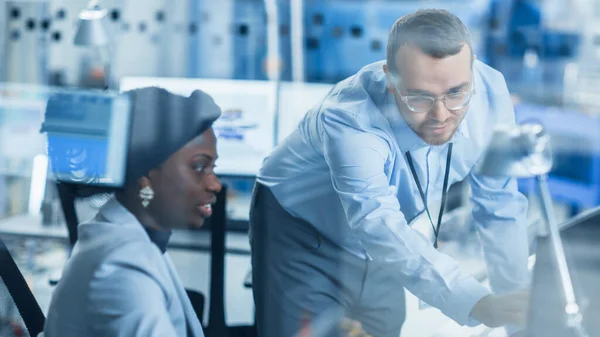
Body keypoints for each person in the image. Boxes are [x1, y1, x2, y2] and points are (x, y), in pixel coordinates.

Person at [251, 9, 530, 337]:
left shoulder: (490, 91)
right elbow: (377, 223)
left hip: (389, 237)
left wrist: (518, 314)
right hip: (300, 230)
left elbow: (499, 208)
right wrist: (478, 302)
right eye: (420, 97)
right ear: (390, 78)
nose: (441, 115)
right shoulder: (350, 119)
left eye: (456, 93)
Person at [43, 87, 222, 337]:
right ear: (145, 175)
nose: (216, 185)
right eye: (199, 166)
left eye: (213, 167)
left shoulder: (128, 235)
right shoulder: (121, 267)